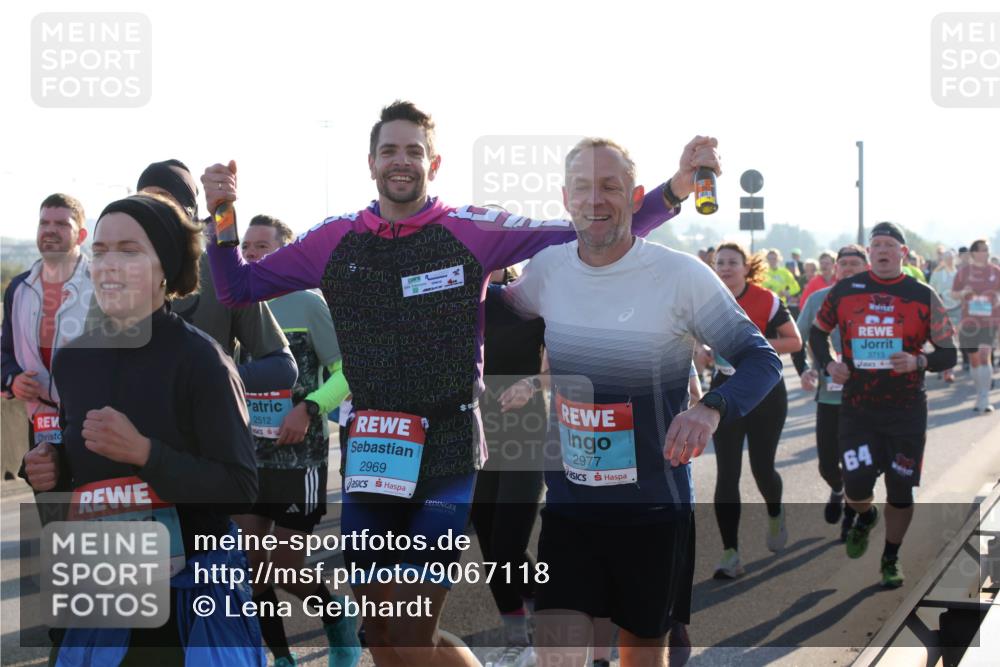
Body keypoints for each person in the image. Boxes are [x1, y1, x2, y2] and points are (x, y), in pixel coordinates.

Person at [202, 101, 714, 667]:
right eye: (391, 151)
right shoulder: (335, 238)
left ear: (434, 161)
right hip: (371, 453)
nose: (403, 161)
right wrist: (222, 210)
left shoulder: (471, 229)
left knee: (415, 631)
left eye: (414, 151)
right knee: (384, 637)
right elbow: (235, 289)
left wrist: (673, 190)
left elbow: (594, 232)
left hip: (447, 453)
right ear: (371, 162)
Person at [497, 137, 780, 667]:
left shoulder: (680, 276)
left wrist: (710, 407)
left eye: (610, 186)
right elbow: (496, 320)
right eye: (583, 187)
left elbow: (761, 360)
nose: (595, 199)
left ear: (635, 196)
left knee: (642, 656)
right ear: (565, 197)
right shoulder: (548, 270)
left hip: (651, 509)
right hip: (569, 508)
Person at [22, 193, 263, 665]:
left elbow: (241, 487)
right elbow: (81, 469)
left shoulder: (203, 360)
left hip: (191, 599)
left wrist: (146, 454)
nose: (109, 264)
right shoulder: (73, 359)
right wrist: (50, 466)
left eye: (130, 251)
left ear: (164, 268)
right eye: (103, 250)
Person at [239, 215, 361, 667]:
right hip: (246, 456)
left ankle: (337, 619)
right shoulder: (236, 304)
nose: (251, 254)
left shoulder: (308, 304)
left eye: (262, 247)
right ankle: (280, 658)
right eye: (246, 247)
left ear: (286, 253)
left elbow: (348, 372)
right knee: (247, 567)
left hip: (299, 458)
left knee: (286, 564)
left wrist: (309, 408)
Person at [811, 222, 956, 588]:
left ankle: (891, 557)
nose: (883, 250)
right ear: (870, 252)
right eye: (876, 245)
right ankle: (866, 514)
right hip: (858, 408)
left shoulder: (922, 295)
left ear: (903, 253)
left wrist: (919, 361)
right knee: (856, 486)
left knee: (901, 488)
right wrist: (829, 363)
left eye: (890, 245)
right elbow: (816, 332)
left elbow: (949, 353)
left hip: (906, 409)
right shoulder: (845, 290)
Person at [132, 159, 297, 392]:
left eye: (163, 197)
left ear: (188, 210)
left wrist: (212, 376)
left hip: (212, 424)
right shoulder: (117, 274)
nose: (150, 208)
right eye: (142, 200)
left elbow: (283, 368)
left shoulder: (220, 271)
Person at [709, 242, 802, 578]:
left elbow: (795, 341)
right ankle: (730, 553)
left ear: (746, 268)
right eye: (720, 262)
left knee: (763, 469)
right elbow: (692, 341)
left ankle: (775, 512)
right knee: (727, 473)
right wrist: (704, 355)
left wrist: (756, 344)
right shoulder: (707, 297)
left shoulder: (766, 299)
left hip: (766, 394)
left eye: (732, 262)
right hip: (724, 394)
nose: (725, 268)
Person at [470, 265, 547, 667]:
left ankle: (551, 610)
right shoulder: (461, 302)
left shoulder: (533, 303)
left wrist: (531, 383)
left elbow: (565, 362)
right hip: (476, 435)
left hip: (526, 433)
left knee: (506, 546)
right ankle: (519, 636)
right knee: (490, 544)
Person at [3, 194, 91, 474]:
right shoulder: (19, 288)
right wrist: (13, 379)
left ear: (81, 235)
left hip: (94, 428)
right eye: (44, 223)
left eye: (62, 224)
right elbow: (4, 351)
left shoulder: (104, 285)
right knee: (52, 513)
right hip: (40, 428)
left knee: (92, 514)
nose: (50, 230)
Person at [795, 245, 870, 540]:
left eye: (855, 263)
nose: (849, 268)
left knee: (858, 463)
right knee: (828, 463)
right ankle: (837, 488)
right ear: (836, 269)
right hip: (829, 396)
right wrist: (805, 369)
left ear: (866, 268)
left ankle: (853, 512)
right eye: (844, 264)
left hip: (866, 398)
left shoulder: (877, 300)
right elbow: (797, 339)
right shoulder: (818, 300)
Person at [951, 239, 1000, 412]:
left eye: (987, 249)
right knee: (974, 359)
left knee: (985, 355)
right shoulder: (963, 272)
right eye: (981, 250)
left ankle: (985, 398)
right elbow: (954, 293)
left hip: (989, 320)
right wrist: (964, 292)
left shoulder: (996, 271)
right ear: (973, 253)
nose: (985, 253)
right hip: (969, 321)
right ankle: (979, 393)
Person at [929, 249, 960, 383]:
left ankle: (950, 369)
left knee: (954, 339)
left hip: (957, 309)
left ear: (955, 259)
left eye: (951, 258)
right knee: (943, 338)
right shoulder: (937, 274)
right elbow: (930, 289)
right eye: (947, 257)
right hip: (941, 310)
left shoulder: (959, 274)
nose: (949, 260)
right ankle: (945, 368)